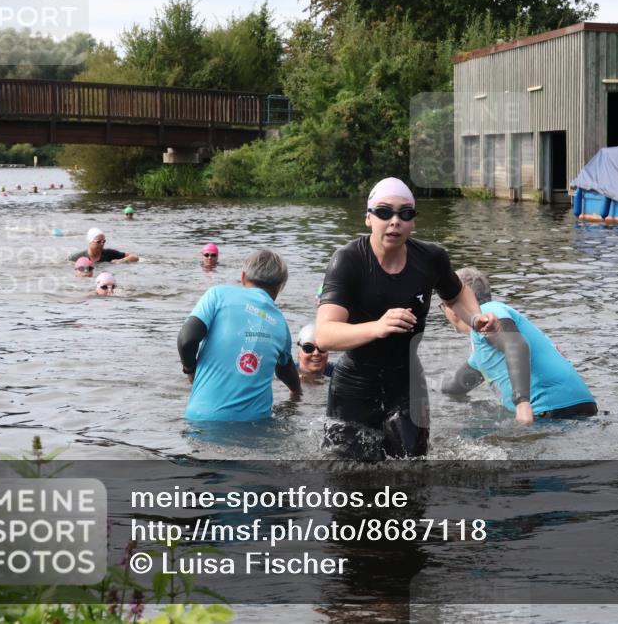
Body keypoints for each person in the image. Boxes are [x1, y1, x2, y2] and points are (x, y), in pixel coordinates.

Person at [315, 177, 499, 460]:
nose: (395, 221)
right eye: (384, 212)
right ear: (369, 218)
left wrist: (475, 319)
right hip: (355, 385)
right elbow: (324, 334)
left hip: (407, 383)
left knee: (413, 470)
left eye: (405, 213)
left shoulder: (430, 258)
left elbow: (456, 293)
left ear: (413, 221)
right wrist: (377, 327)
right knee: (349, 480)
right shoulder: (348, 260)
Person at [441, 267, 597, 423]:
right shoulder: (484, 345)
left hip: (548, 410)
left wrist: (522, 404)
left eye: (443, 305)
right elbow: (456, 387)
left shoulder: (488, 311)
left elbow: (516, 345)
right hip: (579, 407)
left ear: (455, 305)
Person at [177, 249, 301, 422]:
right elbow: (286, 371)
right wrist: (297, 394)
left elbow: (187, 339)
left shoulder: (217, 295)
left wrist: (190, 369)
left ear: (243, 276)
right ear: (280, 286)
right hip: (256, 425)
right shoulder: (280, 323)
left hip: (201, 420)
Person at [69, 228, 139, 263]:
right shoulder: (77, 258)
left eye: (104, 241)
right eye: (98, 242)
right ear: (90, 242)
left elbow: (134, 256)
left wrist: (121, 261)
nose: (102, 244)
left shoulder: (109, 253)